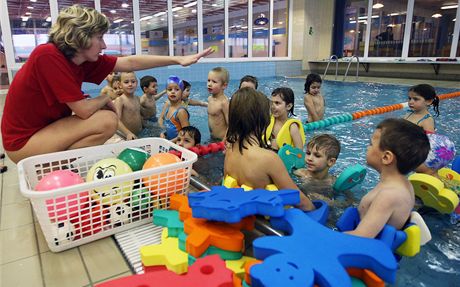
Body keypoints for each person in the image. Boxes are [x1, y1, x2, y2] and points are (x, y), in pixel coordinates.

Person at [1, 5, 213, 163]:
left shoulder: (80, 60)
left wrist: (178, 60)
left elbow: (129, 61)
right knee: (106, 120)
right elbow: (83, 111)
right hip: (23, 143)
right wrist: (105, 98)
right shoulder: (48, 55)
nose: (103, 45)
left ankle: (60, 166)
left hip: (44, 132)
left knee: (106, 118)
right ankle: (54, 168)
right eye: (99, 38)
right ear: (81, 37)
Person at [224, 87, 315, 211]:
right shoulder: (269, 159)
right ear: (262, 119)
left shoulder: (229, 150)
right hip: (268, 221)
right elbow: (300, 202)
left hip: (242, 212)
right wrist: (315, 209)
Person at [346, 118, 430, 238]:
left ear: (386, 157)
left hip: (364, 250)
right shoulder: (404, 184)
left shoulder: (388, 196)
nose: (368, 147)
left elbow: (361, 237)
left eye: (371, 144)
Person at [403, 84, 455, 176]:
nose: (410, 102)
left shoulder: (427, 120)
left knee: (427, 175)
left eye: (415, 99)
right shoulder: (408, 114)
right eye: (409, 98)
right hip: (408, 151)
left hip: (420, 156)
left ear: (429, 101)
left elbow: (431, 144)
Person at [159, 76, 190, 142]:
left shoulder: (181, 112)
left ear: (182, 92)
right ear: (166, 92)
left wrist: (169, 142)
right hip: (171, 143)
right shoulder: (168, 109)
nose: (173, 92)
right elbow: (169, 127)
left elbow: (187, 134)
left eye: (177, 89)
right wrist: (163, 133)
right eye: (170, 89)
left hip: (179, 145)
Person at [114, 72, 142, 140]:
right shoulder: (120, 100)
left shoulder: (137, 98)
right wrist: (127, 133)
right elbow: (116, 120)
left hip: (138, 134)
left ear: (137, 83)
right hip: (125, 135)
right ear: (119, 84)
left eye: (133, 82)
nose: (130, 84)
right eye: (126, 82)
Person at [207, 67, 230, 141]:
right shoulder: (209, 99)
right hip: (212, 137)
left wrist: (224, 141)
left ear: (224, 86)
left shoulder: (224, 103)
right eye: (208, 80)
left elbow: (230, 125)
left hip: (222, 140)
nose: (209, 84)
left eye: (214, 82)